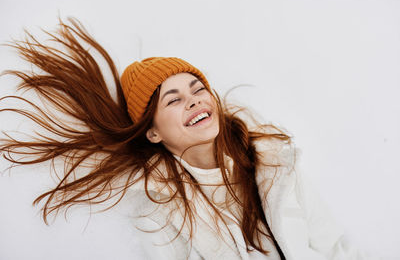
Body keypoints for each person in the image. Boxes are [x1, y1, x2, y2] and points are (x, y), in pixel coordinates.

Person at [0, 18, 368, 260]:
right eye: (173, 99)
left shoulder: (276, 161)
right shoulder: (159, 208)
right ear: (153, 132)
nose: (194, 99)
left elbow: (335, 247)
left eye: (197, 88)